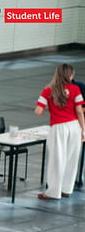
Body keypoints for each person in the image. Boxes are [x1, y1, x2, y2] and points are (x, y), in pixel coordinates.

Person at [35, 63, 85, 201]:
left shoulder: (48, 90)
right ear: (70, 75)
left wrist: (50, 106)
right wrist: (83, 130)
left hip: (58, 127)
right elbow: (79, 111)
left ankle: (53, 192)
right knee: (72, 158)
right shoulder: (75, 89)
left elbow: (38, 111)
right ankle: (66, 190)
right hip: (74, 126)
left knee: (56, 160)